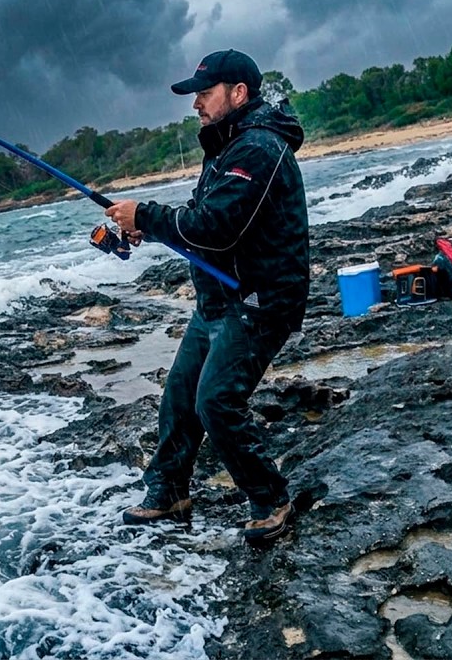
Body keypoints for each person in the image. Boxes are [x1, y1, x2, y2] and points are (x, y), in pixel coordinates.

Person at [104, 49, 309, 545]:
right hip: (217, 300)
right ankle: (170, 492)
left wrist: (147, 217)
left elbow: (214, 229)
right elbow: (202, 220)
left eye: (204, 93)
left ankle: (271, 499)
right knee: (179, 397)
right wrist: (142, 231)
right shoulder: (226, 146)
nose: (195, 104)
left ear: (238, 93)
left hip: (258, 302)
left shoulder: (259, 148)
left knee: (216, 401)